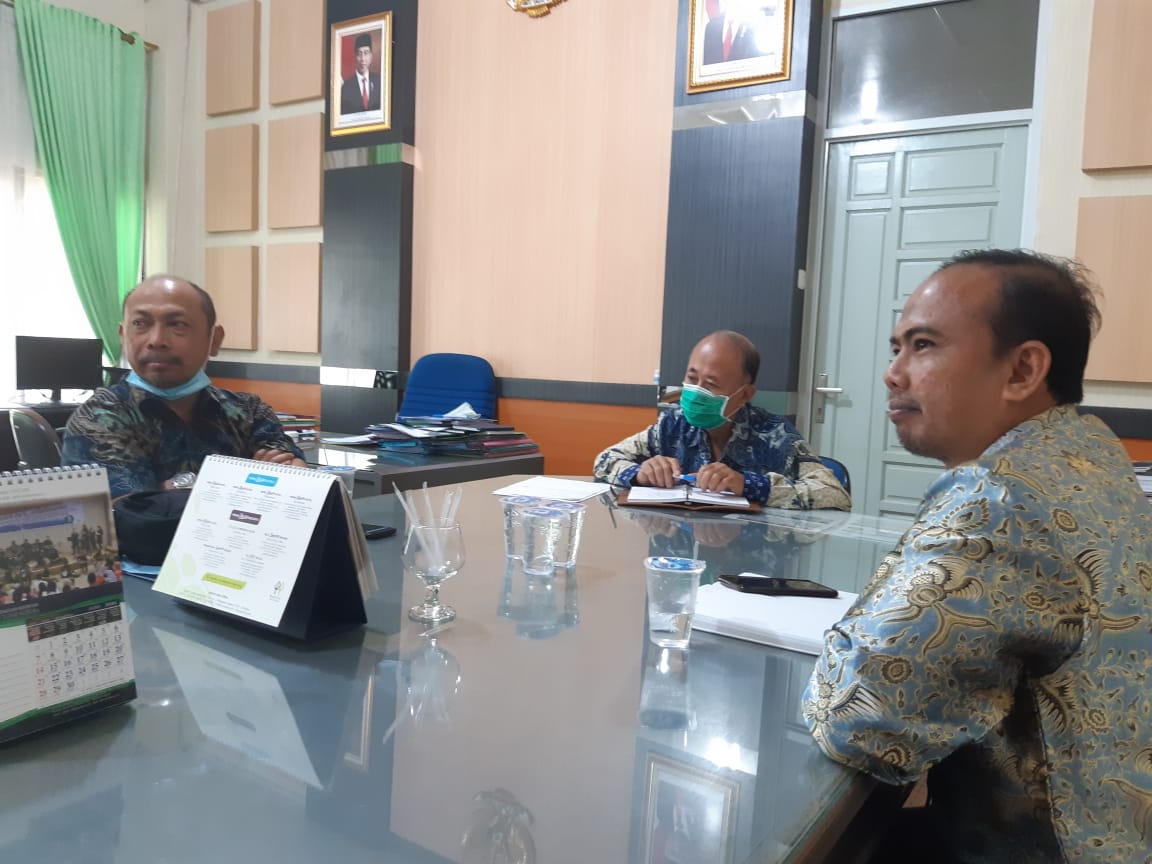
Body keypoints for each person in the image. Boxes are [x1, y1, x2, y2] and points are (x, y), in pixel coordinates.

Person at [802, 250, 1152, 863]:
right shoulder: (1091, 452)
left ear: (1022, 369)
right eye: (896, 348)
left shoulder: (1001, 498)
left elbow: (861, 721)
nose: (892, 373)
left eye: (924, 345)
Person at [62, 275, 306, 500]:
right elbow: (132, 514)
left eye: (177, 324)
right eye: (140, 323)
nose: (156, 340)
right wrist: (249, 485)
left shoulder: (250, 412)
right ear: (123, 336)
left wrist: (172, 490)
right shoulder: (97, 418)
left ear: (214, 340)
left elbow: (292, 482)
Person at [593, 331, 850, 510]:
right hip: (679, 558)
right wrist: (640, 474)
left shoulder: (775, 435)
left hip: (748, 561)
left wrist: (748, 485)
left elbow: (835, 494)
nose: (696, 391)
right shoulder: (672, 425)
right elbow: (604, 460)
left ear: (745, 395)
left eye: (711, 384)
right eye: (692, 378)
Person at [339, 32, 381, 115]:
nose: (363, 59)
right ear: (355, 57)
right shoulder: (346, 87)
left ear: (371, 56)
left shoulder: (379, 82)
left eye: (366, 53)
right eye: (359, 54)